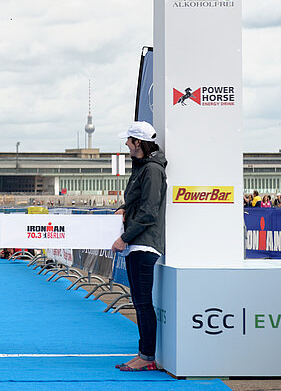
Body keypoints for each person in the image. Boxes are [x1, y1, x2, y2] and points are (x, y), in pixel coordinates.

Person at [110, 121, 166, 373]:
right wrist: (124, 209)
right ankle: (144, 353)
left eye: (129, 141)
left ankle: (147, 356)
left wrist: (125, 237)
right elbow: (139, 204)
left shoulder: (152, 170)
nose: (126, 145)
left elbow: (149, 212)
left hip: (144, 244)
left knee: (143, 302)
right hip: (138, 244)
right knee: (140, 302)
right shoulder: (144, 168)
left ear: (138, 143)